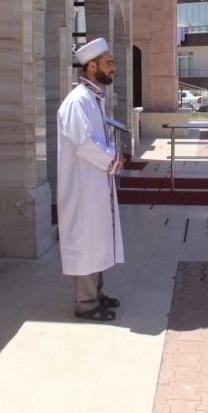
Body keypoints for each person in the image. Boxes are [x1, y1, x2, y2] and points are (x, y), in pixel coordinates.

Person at [57, 38, 124, 322]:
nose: (114, 69)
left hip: (96, 182)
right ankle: (85, 303)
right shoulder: (77, 101)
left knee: (98, 235)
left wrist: (112, 158)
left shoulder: (93, 97)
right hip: (81, 187)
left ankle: (96, 293)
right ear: (92, 66)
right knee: (85, 239)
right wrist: (112, 158)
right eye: (109, 63)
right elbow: (84, 142)